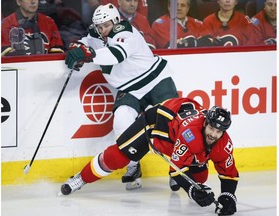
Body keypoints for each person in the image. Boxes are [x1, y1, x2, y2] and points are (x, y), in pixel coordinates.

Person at [64, 3, 179, 190]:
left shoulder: (126, 31)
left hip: (156, 80)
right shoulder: (96, 33)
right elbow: (86, 41)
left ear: (116, 21)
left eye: (106, 25)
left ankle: (177, 168)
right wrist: (78, 48)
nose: (103, 30)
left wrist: (88, 55)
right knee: (121, 122)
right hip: (130, 89)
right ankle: (133, 166)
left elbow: (116, 55)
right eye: (99, 26)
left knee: (171, 124)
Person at [60, 97, 239, 216]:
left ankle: (189, 183)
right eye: (212, 129)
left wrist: (227, 196)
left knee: (200, 177)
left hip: (178, 137)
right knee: (118, 157)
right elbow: (176, 169)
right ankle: (81, 178)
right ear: (205, 123)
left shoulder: (223, 143)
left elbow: (229, 172)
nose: (214, 135)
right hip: (157, 124)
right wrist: (192, 189)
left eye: (219, 131)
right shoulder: (190, 134)